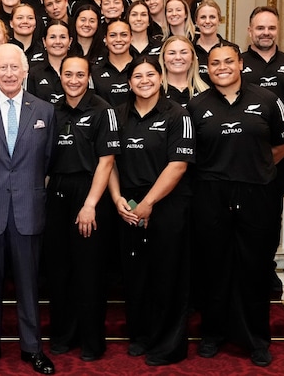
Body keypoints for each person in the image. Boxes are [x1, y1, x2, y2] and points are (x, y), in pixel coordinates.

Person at [187, 43, 284, 368]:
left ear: (240, 64)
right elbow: (190, 156)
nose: (221, 67)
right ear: (207, 68)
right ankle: (213, 334)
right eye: (214, 63)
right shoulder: (196, 106)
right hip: (211, 196)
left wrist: (256, 168)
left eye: (228, 61)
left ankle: (256, 339)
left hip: (256, 196)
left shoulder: (267, 100)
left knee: (255, 269)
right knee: (214, 268)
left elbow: (282, 144)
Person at [0, 43, 56, 375]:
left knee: (28, 283)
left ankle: (32, 348)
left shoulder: (45, 112)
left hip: (28, 209)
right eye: (1, 68)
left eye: (14, 68)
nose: (8, 73)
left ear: (24, 71)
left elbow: (47, 159)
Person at [108, 55, 195, 366]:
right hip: (128, 207)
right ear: (129, 82)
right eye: (137, 76)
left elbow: (178, 166)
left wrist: (149, 204)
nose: (144, 81)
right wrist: (117, 198)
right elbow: (110, 162)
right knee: (136, 275)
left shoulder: (178, 114)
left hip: (167, 205)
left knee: (167, 275)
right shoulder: (118, 114)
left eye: (150, 75)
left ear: (160, 78)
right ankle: (141, 335)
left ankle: (167, 345)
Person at [45, 56, 119, 362]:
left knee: (89, 271)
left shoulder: (103, 110)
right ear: (60, 76)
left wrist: (90, 204)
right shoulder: (51, 110)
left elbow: (107, 161)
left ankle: (91, 341)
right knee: (58, 269)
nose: (73, 80)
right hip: (56, 194)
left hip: (90, 193)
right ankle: (63, 335)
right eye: (68, 74)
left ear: (88, 77)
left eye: (80, 75)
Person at [241, 6, 284, 296]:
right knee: (241, 213)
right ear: (249, 31)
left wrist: (280, 137)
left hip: (277, 155)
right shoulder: (237, 62)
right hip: (241, 154)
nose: (265, 33)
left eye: (270, 28)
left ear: (277, 30)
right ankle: (241, 268)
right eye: (260, 28)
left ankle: (266, 269)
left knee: (271, 213)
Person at [91, 19, 134, 107]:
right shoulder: (94, 70)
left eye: (124, 35)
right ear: (105, 39)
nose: (118, 39)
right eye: (113, 35)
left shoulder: (141, 67)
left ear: (131, 38)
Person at [28, 20, 71, 105]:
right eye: (52, 37)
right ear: (44, 41)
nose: (58, 42)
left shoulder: (79, 70)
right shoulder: (34, 73)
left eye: (63, 37)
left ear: (70, 41)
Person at [194, 0, 234, 85]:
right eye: (203, 17)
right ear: (196, 21)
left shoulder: (231, 49)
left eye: (212, 17)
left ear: (219, 21)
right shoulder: (188, 49)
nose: (207, 21)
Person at [160, 35, 208, 108]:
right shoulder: (155, 92)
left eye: (184, 52)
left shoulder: (204, 92)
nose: (178, 57)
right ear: (163, 58)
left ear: (192, 58)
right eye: (172, 53)